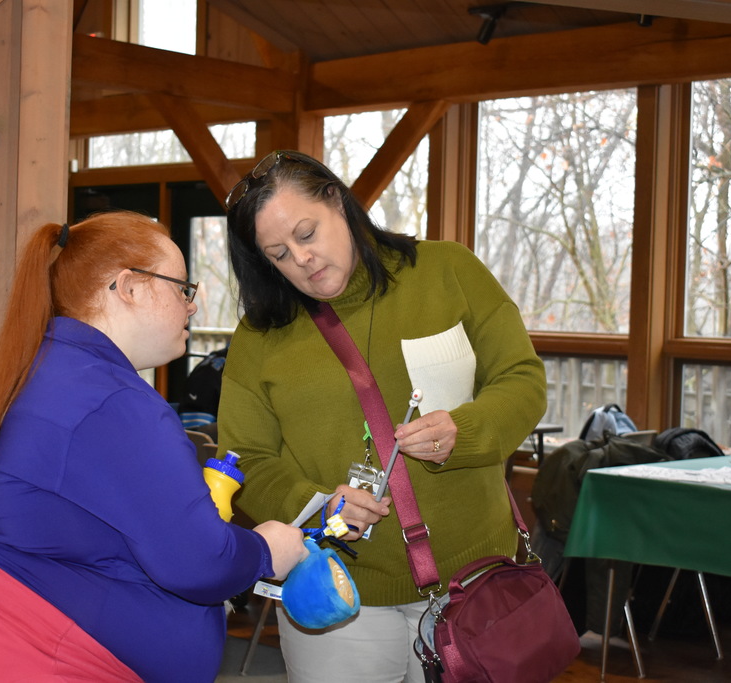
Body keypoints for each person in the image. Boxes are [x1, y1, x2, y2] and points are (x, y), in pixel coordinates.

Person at [0, 211, 306, 682]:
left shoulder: (58, 372)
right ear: (130, 287)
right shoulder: (110, 398)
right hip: (21, 658)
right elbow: (199, 561)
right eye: (183, 288)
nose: (191, 306)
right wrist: (265, 550)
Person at [218, 150, 547, 682]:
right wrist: (321, 502)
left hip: (473, 582)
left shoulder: (446, 270)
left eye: (307, 233)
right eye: (277, 253)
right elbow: (245, 457)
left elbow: (522, 379)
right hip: (333, 590)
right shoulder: (260, 337)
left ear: (338, 202)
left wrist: (463, 432)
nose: (300, 259)